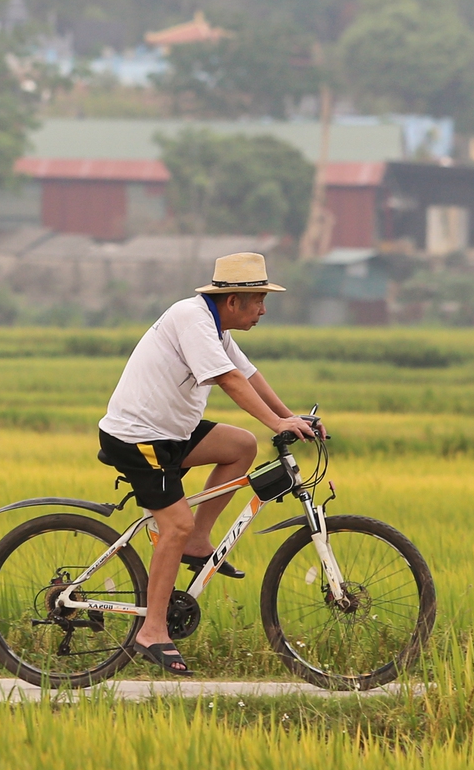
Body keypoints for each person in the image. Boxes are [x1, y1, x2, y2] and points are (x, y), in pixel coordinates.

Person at [98, 251, 320, 677]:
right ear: (233, 300)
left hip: (171, 434)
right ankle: (151, 630)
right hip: (137, 437)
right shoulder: (193, 319)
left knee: (240, 445)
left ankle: (199, 541)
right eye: (259, 301)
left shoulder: (216, 328)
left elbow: (249, 375)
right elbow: (229, 380)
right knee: (173, 526)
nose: (264, 310)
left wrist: (291, 416)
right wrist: (277, 422)